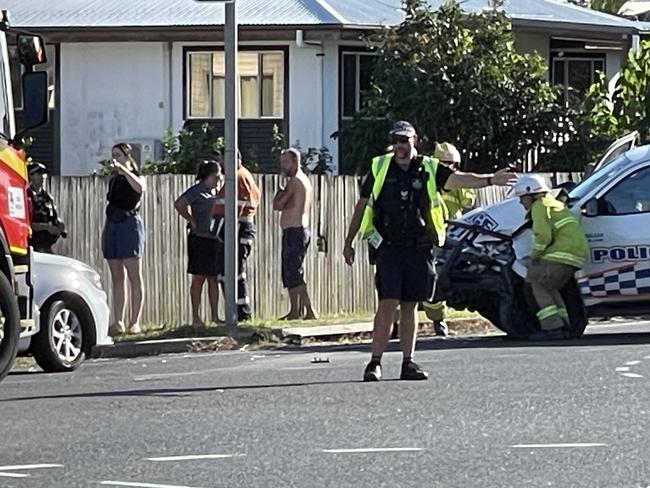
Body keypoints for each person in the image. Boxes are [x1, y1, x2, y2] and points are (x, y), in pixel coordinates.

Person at [343, 121, 516, 382]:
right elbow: (362, 205)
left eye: (404, 140)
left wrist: (492, 179)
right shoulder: (379, 166)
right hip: (388, 247)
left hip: (418, 247)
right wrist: (349, 241)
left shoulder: (429, 167)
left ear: (416, 141)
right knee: (387, 304)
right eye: (396, 140)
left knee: (411, 305)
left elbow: (459, 180)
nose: (400, 145)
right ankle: (374, 363)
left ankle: (408, 362)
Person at [514, 174, 588, 341]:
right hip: (574, 254)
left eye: (521, 198)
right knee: (550, 287)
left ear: (531, 194)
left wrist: (534, 256)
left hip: (561, 253)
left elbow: (543, 236)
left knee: (536, 283)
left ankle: (552, 328)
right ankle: (564, 325)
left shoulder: (540, 206)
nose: (520, 202)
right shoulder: (553, 203)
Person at [422, 142, 476, 337]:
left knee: (441, 276)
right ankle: (396, 326)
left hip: (453, 233)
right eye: (446, 164)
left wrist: (457, 184)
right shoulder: (428, 179)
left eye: (454, 164)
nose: (451, 168)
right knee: (427, 275)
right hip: (431, 233)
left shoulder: (456, 181)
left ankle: (438, 320)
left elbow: (468, 201)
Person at [103, 143, 146, 336]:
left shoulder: (135, 177)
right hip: (113, 224)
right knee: (117, 276)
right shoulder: (114, 181)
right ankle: (118, 320)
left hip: (129, 225)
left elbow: (140, 188)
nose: (115, 159)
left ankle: (134, 321)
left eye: (119, 155)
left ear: (128, 157)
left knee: (134, 276)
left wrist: (123, 170)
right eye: (113, 156)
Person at [214, 151, 261, 321]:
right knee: (232, 271)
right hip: (238, 226)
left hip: (237, 227)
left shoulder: (237, 178)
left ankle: (241, 312)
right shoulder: (241, 176)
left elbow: (237, 206)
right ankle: (239, 310)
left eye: (221, 160)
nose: (220, 164)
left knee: (231, 271)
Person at [174, 160, 223, 326]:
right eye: (217, 176)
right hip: (199, 238)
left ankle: (215, 316)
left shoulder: (214, 192)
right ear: (209, 175)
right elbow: (179, 203)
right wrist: (190, 219)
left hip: (213, 238)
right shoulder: (197, 191)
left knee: (213, 279)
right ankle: (196, 317)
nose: (219, 178)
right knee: (199, 278)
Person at [273, 148, 317, 320]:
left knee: (293, 272)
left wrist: (280, 192)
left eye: (285, 162)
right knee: (293, 271)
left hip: (295, 230)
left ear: (296, 162)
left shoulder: (294, 182)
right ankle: (297, 310)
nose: (282, 166)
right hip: (301, 229)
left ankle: (307, 310)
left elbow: (277, 204)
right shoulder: (305, 180)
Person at [26, 162, 66, 253]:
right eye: (39, 174)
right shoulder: (27, 196)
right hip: (32, 245)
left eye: (43, 174)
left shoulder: (47, 197)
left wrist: (59, 225)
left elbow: (54, 218)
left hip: (47, 245)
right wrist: (46, 227)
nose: (42, 177)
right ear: (31, 176)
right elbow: (27, 223)